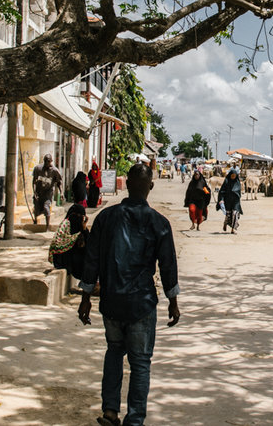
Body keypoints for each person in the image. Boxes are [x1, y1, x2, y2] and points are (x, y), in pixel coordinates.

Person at [78, 163, 180, 426]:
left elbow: (92, 259)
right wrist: (173, 301)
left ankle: (110, 412)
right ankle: (134, 420)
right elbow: (168, 264)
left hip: (112, 300)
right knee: (141, 362)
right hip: (141, 303)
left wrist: (86, 296)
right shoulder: (159, 223)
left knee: (114, 352)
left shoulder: (106, 217)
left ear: (128, 185)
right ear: (150, 187)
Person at [48, 204, 88, 277]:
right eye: (78, 215)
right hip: (63, 260)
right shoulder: (65, 225)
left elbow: (89, 241)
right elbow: (57, 245)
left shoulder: (81, 225)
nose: (79, 218)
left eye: (82, 216)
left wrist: (84, 228)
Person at [32, 153, 63, 230]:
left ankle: (47, 225)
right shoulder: (38, 168)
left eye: (49, 161)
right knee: (37, 207)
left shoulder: (55, 171)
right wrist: (34, 192)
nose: (47, 163)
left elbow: (59, 183)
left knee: (46, 207)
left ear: (51, 161)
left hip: (48, 192)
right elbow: (34, 181)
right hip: (39, 192)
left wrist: (61, 192)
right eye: (46, 161)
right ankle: (35, 220)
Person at [218, 169, 243, 233]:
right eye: (232, 176)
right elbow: (222, 191)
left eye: (234, 176)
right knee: (228, 215)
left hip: (236, 201)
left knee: (235, 214)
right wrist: (221, 199)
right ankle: (225, 223)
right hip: (228, 200)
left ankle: (233, 228)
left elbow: (239, 192)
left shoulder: (237, 182)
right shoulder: (226, 181)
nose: (233, 177)